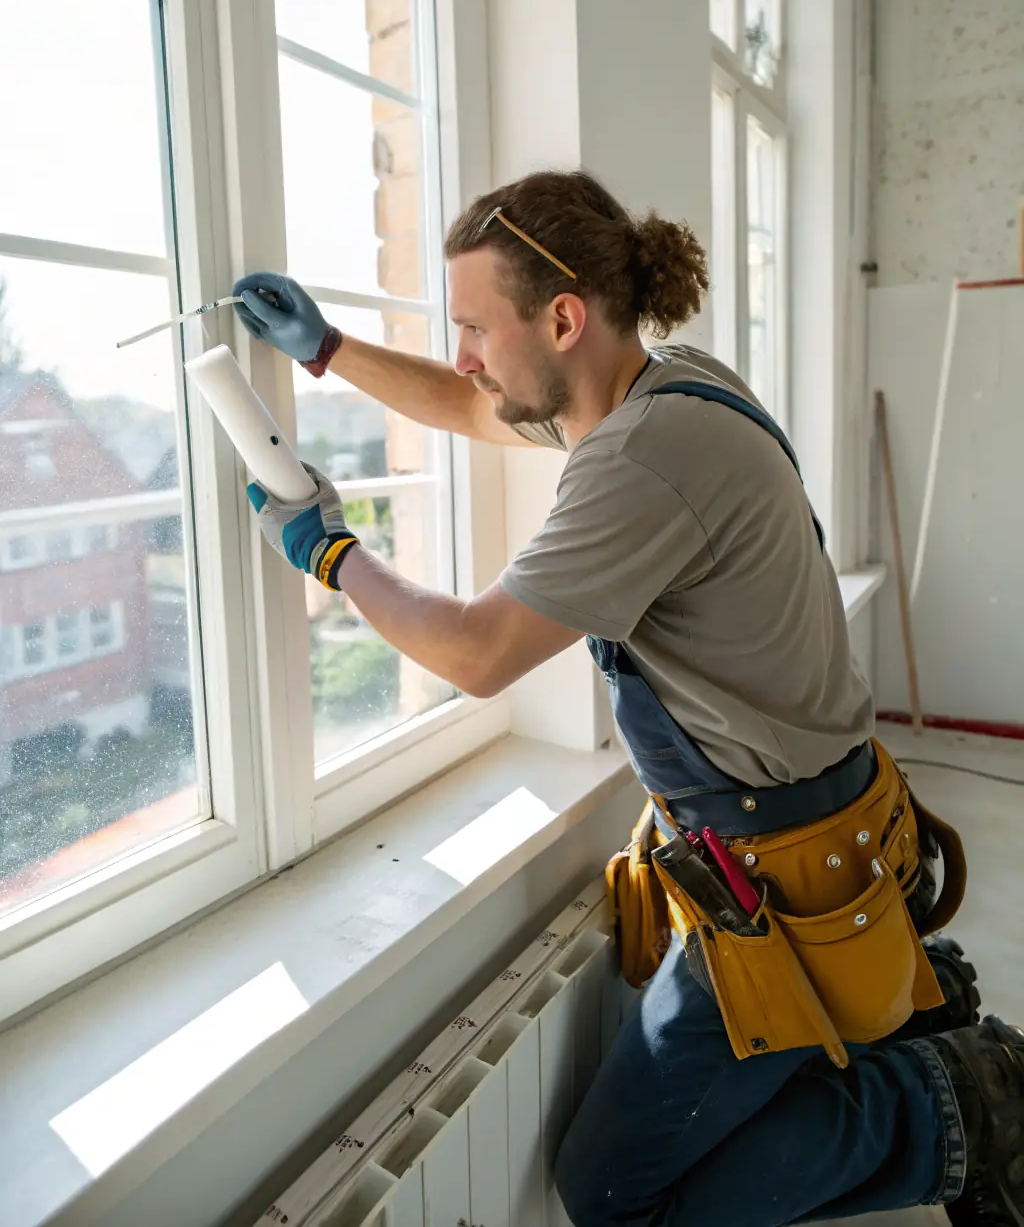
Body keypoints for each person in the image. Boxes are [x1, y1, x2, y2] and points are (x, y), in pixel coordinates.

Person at [235, 170, 1023, 1227]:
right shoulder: (670, 382)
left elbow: (475, 652)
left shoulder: (641, 463)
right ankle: (916, 1042)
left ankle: (957, 1105)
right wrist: (328, 353)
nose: (463, 351)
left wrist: (332, 555)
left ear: (563, 319)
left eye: (473, 324)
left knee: (607, 1191)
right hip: (811, 828)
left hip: (781, 880)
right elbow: (480, 402)